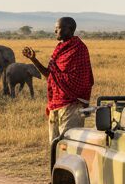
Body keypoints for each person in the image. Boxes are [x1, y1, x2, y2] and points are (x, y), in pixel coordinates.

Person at [23, 17, 94, 147]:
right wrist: (34, 59)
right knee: (54, 147)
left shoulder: (79, 49)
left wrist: (59, 78)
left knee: (68, 146)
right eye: (55, 28)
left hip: (72, 106)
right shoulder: (59, 50)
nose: (55, 30)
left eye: (58, 28)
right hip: (55, 105)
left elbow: (82, 81)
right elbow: (50, 75)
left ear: (69, 29)